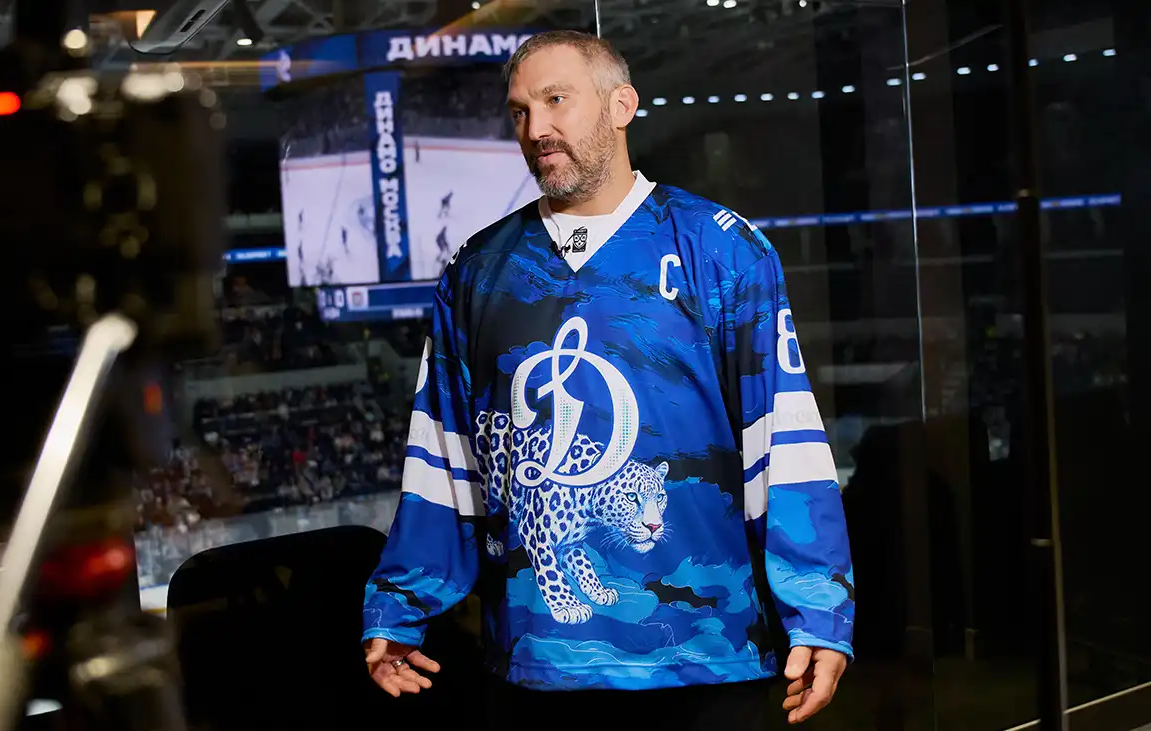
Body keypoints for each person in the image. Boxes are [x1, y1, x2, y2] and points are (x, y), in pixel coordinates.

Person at [362, 30, 854, 730]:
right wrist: (399, 607)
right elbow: (443, 456)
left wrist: (820, 611)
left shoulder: (721, 248)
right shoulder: (478, 270)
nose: (536, 128)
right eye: (520, 111)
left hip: (707, 661)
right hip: (535, 665)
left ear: (622, 105)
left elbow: (784, 440)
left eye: (556, 100)